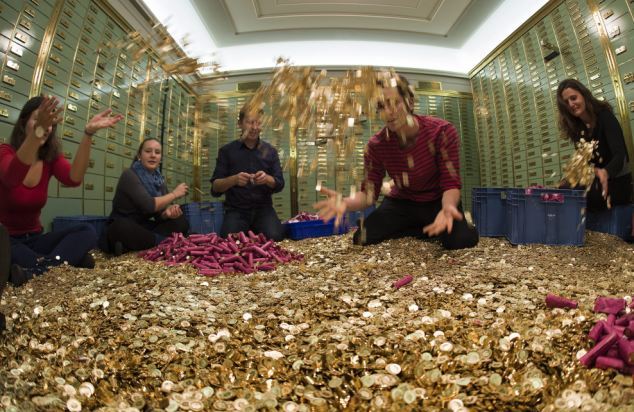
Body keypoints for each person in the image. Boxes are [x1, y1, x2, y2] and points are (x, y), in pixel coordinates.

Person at [314, 74, 479, 250]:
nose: (388, 111)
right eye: (381, 106)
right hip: (402, 202)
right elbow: (368, 194)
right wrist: (346, 203)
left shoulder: (442, 131)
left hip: (439, 201)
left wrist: (448, 207)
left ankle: (440, 226)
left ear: (410, 103)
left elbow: (450, 184)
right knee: (362, 237)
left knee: (459, 241)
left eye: (394, 103)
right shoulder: (376, 146)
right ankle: (419, 228)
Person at [0, 95, 123, 286]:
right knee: (16, 253)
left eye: (49, 122)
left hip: (35, 238)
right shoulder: (5, 152)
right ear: (23, 123)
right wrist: (37, 133)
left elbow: (74, 179)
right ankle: (63, 262)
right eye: (39, 119)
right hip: (6, 240)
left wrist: (88, 134)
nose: (46, 126)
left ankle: (39, 268)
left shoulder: (49, 158)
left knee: (86, 231)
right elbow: (11, 177)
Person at [99, 137, 189, 255]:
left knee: (180, 221)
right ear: (139, 155)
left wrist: (167, 214)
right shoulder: (129, 175)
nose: (153, 155)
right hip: (126, 226)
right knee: (120, 226)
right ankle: (165, 243)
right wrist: (174, 194)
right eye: (148, 151)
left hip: (143, 228)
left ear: (160, 158)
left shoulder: (159, 180)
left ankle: (143, 245)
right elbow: (149, 205)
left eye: (157, 152)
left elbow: (158, 216)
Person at [210, 103, 286, 241]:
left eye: (258, 123)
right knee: (228, 241)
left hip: (264, 209)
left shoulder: (270, 151)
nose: (255, 127)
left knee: (275, 237)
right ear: (240, 124)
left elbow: (280, 183)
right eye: (250, 122)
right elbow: (215, 188)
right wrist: (233, 180)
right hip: (236, 210)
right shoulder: (227, 151)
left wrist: (267, 179)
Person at [556, 79, 632, 213]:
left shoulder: (605, 116)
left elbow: (620, 156)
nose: (571, 104)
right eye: (566, 102)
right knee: (564, 191)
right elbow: (584, 164)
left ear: (584, 95)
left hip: (617, 179)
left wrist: (605, 172)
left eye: (573, 98)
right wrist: (570, 177)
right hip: (596, 180)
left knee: (590, 197)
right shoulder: (577, 129)